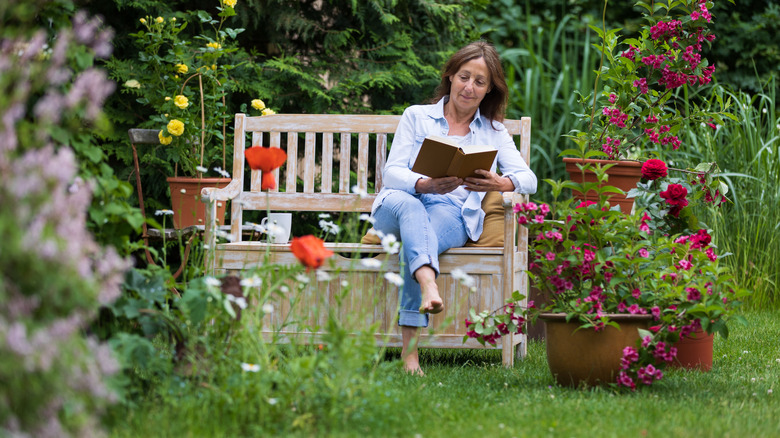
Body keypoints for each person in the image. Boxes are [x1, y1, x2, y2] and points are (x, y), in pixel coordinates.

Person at [370, 41, 537, 375]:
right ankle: (428, 286)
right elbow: (391, 173)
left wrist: (499, 183)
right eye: (464, 77)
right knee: (412, 211)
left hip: (450, 213)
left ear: (489, 90)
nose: (469, 87)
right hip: (399, 203)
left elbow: (528, 179)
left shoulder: (493, 132)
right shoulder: (416, 116)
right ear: (450, 76)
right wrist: (424, 184)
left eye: (479, 81)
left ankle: (411, 353)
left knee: (417, 239)